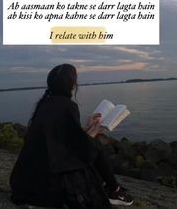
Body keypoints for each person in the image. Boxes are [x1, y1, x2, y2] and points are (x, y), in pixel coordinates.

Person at [10, 64, 133, 208]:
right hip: (48, 185)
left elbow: (63, 137)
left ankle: (113, 188)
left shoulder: (44, 104)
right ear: (72, 84)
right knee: (95, 144)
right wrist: (96, 130)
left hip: (24, 182)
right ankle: (115, 189)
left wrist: (87, 126)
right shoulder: (67, 106)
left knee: (92, 143)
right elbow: (82, 146)